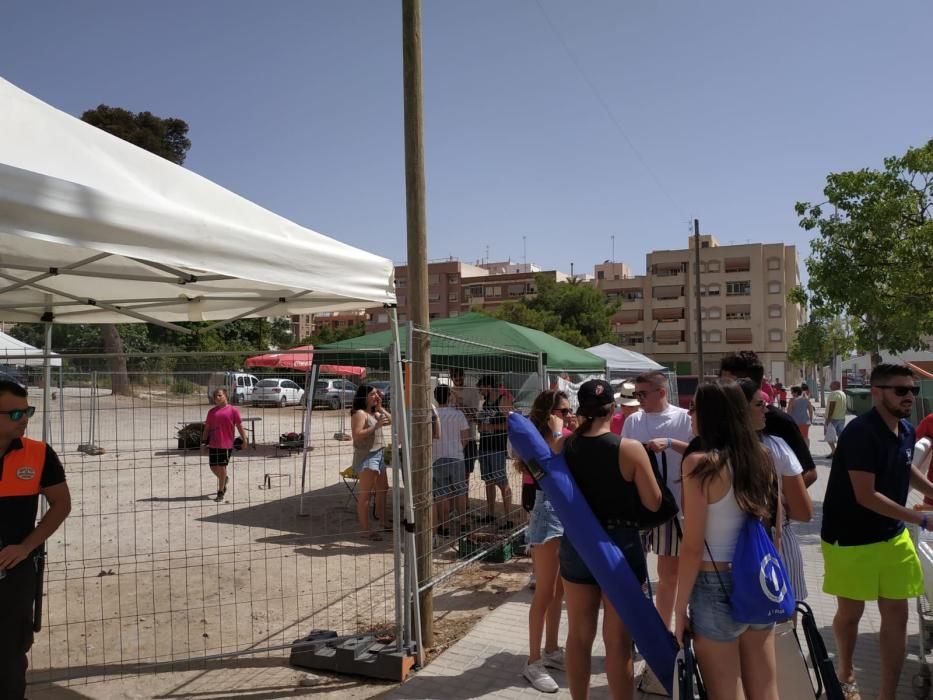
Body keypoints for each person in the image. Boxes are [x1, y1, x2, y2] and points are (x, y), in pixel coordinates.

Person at [821, 364, 930, 700]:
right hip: (850, 539)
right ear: (876, 392)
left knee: (897, 618)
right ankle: (846, 671)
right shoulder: (859, 433)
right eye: (900, 390)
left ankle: (887, 695)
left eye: (912, 390)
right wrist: (923, 521)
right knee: (851, 614)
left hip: (893, 537)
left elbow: (905, 465)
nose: (909, 396)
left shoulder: (907, 430)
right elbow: (865, 496)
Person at [674, 380, 779, 700]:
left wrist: (678, 611)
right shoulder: (762, 456)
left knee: (726, 693)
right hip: (757, 579)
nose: (690, 414)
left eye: (695, 408)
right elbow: (773, 526)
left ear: (709, 415)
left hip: (713, 581)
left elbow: (692, 547)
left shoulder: (699, 464)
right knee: (765, 689)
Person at [561, 379, 662, 700]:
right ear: (614, 409)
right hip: (620, 544)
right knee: (618, 641)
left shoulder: (565, 447)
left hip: (577, 543)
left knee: (578, 636)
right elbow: (654, 503)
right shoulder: (628, 449)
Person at [0, 379, 71, 699]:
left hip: (15, 576)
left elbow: (61, 504)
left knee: (11, 655)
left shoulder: (39, 453)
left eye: (27, 411)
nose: (25, 419)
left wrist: (27, 546)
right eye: (15, 414)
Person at [621, 371, 691, 637]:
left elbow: (699, 451)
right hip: (638, 507)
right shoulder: (634, 421)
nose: (638, 400)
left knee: (668, 574)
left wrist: (671, 444)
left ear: (661, 392)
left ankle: (663, 631)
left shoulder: (683, 418)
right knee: (633, 572)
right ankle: (636, 630)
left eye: (642, 394)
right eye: (636, 394)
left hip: (671, 508)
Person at [737, 378, 813, 604]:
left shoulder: (706, 453)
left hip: (725, 552)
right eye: (760, 405)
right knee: (784, 626)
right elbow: (804, 512)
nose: (767, 411)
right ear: (740, 410)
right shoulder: (777, 447)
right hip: (775, 542)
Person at [519, 390, 572, 693]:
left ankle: (551, 650)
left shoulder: (560, 433)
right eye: (562, 411)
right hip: (547, 512)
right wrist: (557, 431)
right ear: (549, 412)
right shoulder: (537, 438)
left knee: (559, 590)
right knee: (545, 591)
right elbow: (547, 467)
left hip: (564, 512)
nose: (567, 416)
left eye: (567, 411)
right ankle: (533, 661)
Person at [716, 351, 817, 487]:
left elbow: (810, 473)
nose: (720, 389)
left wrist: (778, 503)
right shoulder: (716, 420)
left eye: (727, 383)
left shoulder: (780, 422)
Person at [350, 384, 392, 541]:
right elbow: (357, 435)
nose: (377, 396)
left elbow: (392, 420)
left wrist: (380, 408)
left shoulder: (374, 413)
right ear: (365, 396)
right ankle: (365, 530)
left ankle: (383, 521)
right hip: (368, 456)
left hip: (379, 454)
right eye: (373, 394)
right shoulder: (360, 414)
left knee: (383, 489)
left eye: (377, 393)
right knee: (365, 494)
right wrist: (375, 428)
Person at [476, 375, 514, 527]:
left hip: (497, 448)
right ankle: (490, 514)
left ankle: (509, 518)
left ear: (488, 386)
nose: (480, 392)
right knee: (488, 481)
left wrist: (492, 428)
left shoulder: (503, 401)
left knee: (502, 482)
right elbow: (484, 422)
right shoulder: (485, 404)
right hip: (484, 446)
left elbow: (511, 424)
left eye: (481, 388)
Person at [201, 387, 251, 501]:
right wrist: (204, 443)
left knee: (222, 467)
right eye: (215, 397)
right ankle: (224, 479)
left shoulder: (233, 411)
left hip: (226, 444)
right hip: (213, 443)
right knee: (213, 467)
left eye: (220, 395)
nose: (217, 398)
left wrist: (245, 439)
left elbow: (239, 426)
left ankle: (220, 491)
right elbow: (207, 428)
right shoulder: (211, 412)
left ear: (226, 396)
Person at [432, 385, 469, 536]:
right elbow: (466, 437)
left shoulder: (433, 414)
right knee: (460, 490)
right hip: (456, 456)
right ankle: (464, 523)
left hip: (437, 457)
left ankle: (444, 525)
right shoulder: (458, 414)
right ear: (449, 396)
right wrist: (458, 447)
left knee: (441, 492)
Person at [451, 368, 482, 482]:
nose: (457, 378)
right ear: (451, 377)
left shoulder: (472, 391)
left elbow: (474, 414)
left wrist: (460, 404)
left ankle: (465, 499)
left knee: (465, 474)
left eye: (459, 375)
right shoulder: (448, 392)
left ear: (463, 376)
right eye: (455, 376)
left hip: (469, 438)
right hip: (452, 439)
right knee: (453, 473)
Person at [825, 380, 848, 457]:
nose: (830, 386)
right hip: (841, 418)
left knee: (828, 435)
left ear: (836, 386)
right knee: (840, 435)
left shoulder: (834, 394)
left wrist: (829, 418)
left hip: (833, 418)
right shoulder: (843, 394)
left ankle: (834, 451)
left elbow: (832, 405)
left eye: (831, 385)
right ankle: (839, 452)